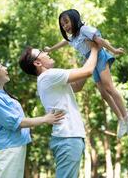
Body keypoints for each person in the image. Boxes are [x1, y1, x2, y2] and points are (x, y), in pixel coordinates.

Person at [44, 9, 128, 138]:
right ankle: (121, 119)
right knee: (104, 94)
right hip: (91, 61)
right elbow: (64, 42)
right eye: (62, 25)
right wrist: (51, 49)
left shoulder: (84, 30)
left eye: (66, 22)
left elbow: (100, 40)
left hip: (100, 56)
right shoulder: (74, 37)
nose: (65, 26)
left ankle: (127, 115)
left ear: (74, 19)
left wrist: (114, 50)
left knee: (108, 87)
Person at [19, 41, 100, 178]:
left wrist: (89, 56)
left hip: (68, 138)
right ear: (37, 63)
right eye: (42, 52)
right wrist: (95, 48)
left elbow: (77, 86)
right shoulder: (48, 76)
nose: (47, 52)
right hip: (68, 138)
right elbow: (87, 71)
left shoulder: (49, 80)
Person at [0, 58, 65, 178]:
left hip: (16, 148)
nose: (5, 68)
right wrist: (45, 119)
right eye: (1, 67)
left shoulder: (4, 96)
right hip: (7, 151)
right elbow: (17, 122)